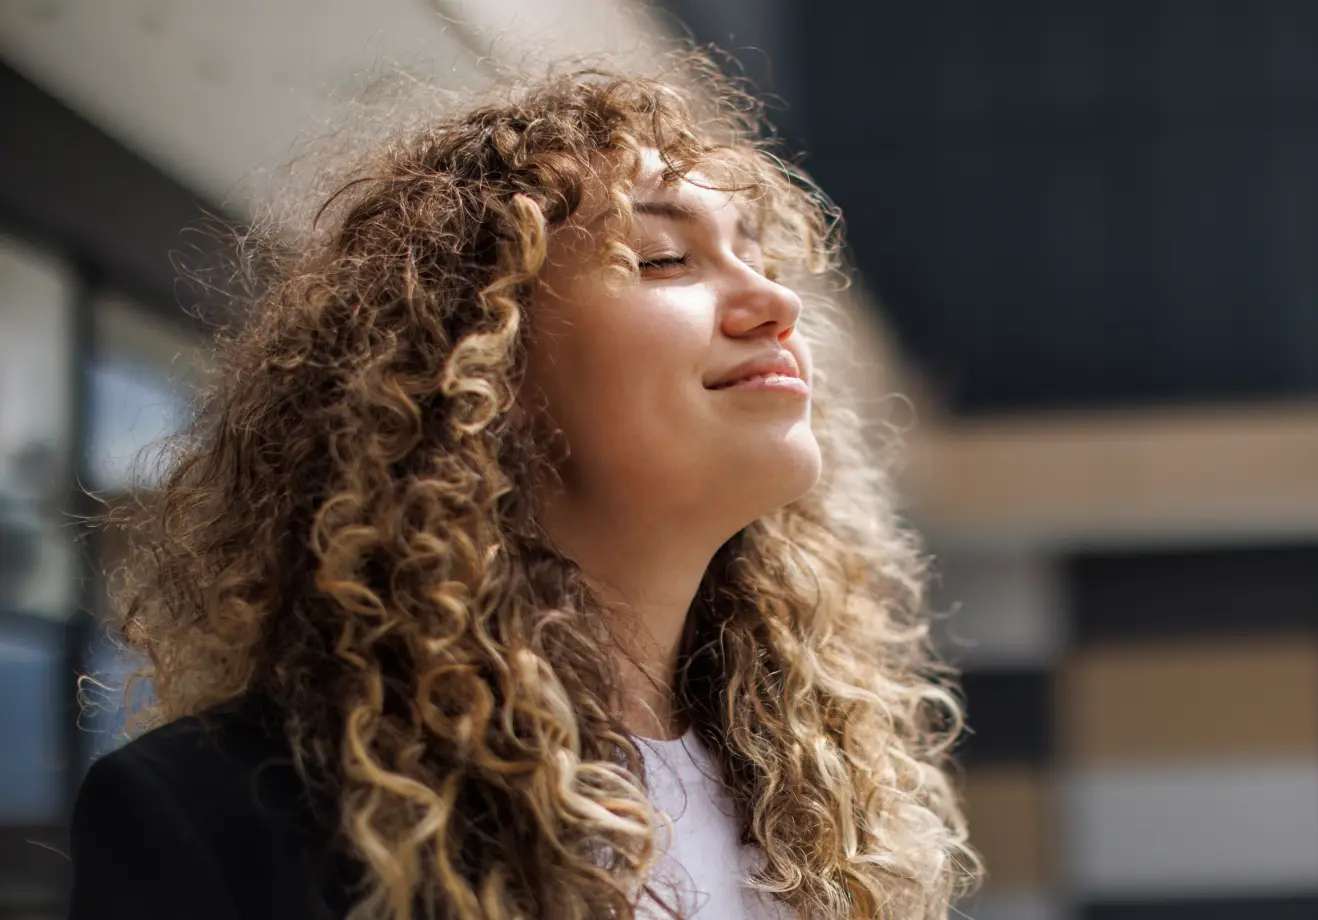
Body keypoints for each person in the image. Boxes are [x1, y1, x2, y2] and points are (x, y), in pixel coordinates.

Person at [67, 53, 977, 920]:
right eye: (663, 259)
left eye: (763, 261)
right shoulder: (224, 816)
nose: (774, 303)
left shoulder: (825, 810)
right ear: (477, 366)